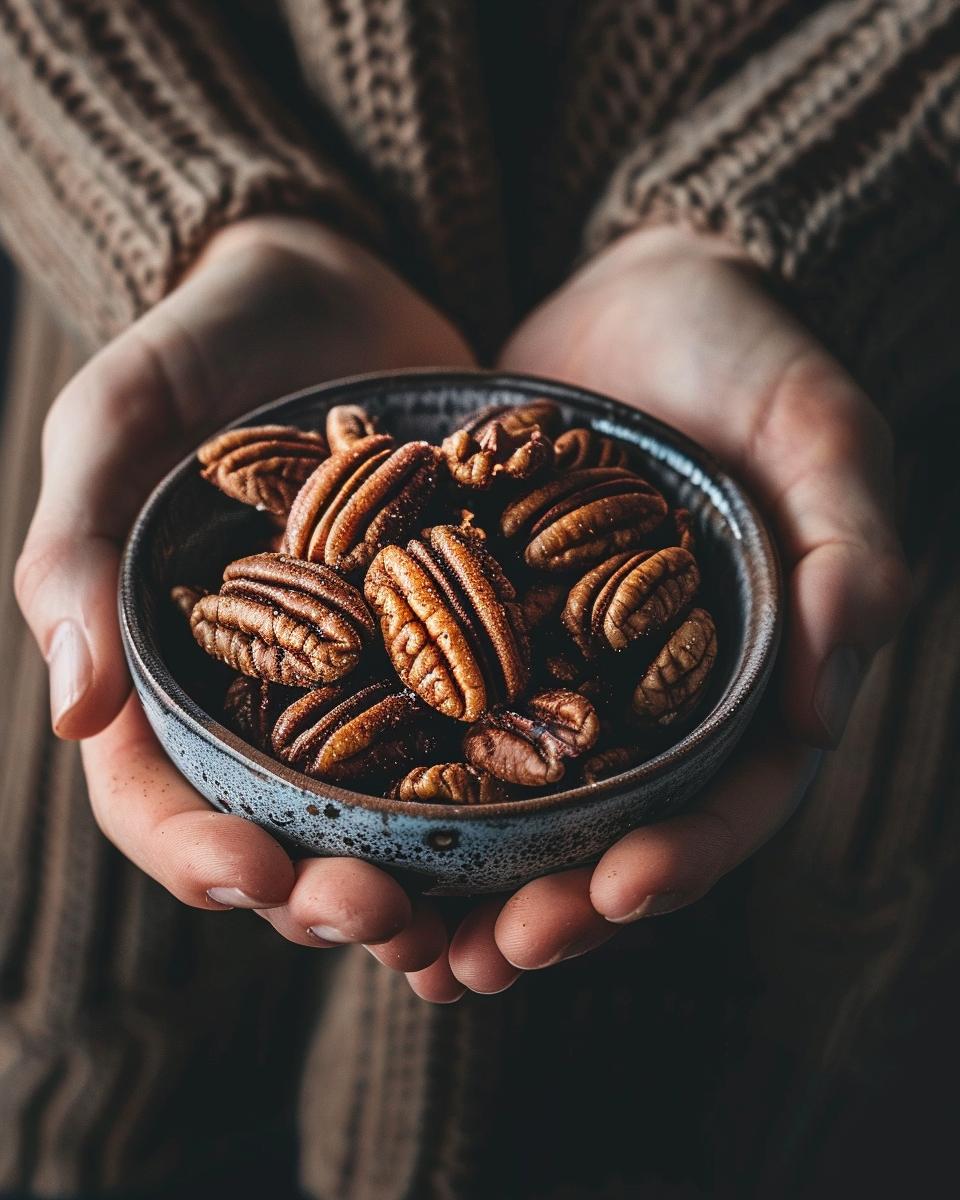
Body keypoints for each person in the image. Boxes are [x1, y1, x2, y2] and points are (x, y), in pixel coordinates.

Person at [1, 2, 957, 1196]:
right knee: (110, 1077)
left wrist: (796, 219)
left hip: (850, 357)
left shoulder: (561, 606)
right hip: (180, 285)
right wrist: (195, 206)